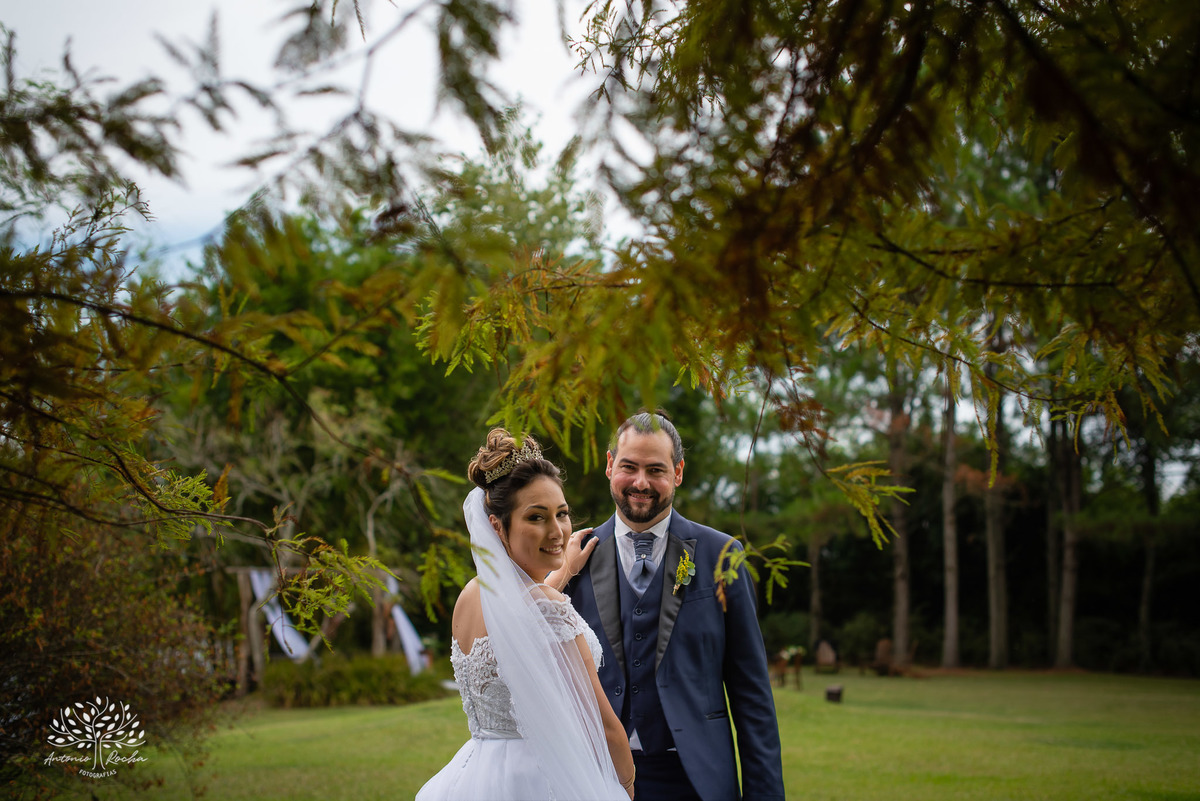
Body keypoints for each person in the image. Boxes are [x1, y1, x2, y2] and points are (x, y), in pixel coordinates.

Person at [550, 412, 785, 801]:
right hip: (595, 777)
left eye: (655, 469)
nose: (641, 483)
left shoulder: (722, 555)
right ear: (610, 466)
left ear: (677, 472)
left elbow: (751, 692)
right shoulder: (574, 557)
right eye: (629, 467)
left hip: (695, 779)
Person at [417, 429, 635, 801]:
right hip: (542, 779)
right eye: (536, 517)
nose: (557, 531)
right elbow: (604, 727)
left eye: (561, 514)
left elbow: (520, 617)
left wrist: (564, 571)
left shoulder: (472, 595)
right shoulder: (549, 609)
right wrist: (626, 787)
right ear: (497, 527)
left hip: (476, 774)